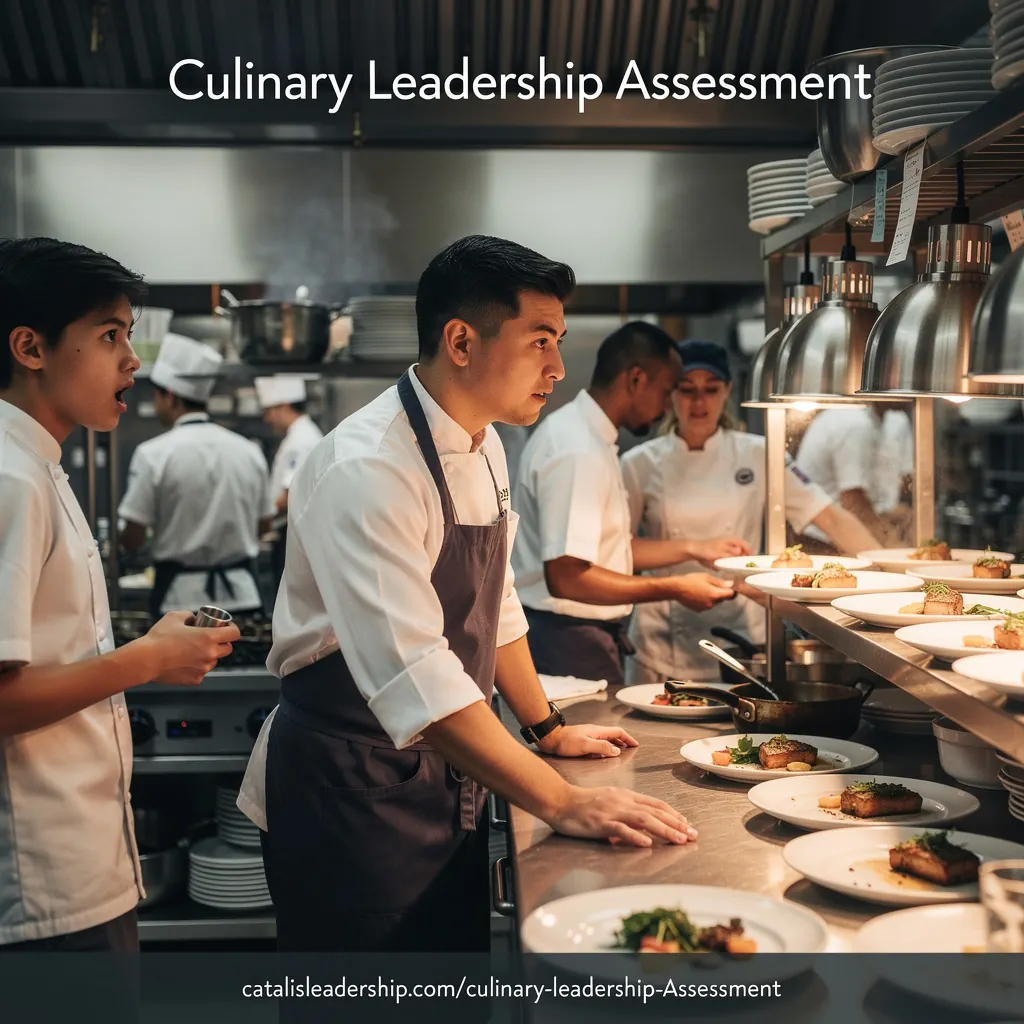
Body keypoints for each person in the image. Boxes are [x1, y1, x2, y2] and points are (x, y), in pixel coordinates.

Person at [236, 236, 696, 957]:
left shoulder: (484, 443)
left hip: (447, 773)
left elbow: (495, 601)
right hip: (351, 791)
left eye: (560, 341)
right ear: (460, 340)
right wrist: (559, 797)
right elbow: (414, 671)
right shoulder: (368, 466)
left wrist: (546, 729)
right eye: (540, 341)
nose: (559, 367)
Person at [0, 237, 239, 951]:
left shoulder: (39, 467)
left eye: (129, 335)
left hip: (80, 862)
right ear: (30, 348)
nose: (133, 360)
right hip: (42, 875)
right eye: (110, 335)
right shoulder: (11, 479)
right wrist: (147, 658)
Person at [621, 340, 881, 684]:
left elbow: (830, 517)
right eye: (686, 390)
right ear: (671, 393)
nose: (698, 402)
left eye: (711, 389)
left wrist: (885, 571)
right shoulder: (639, 463)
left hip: (742, 631)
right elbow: (622, 552)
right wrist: (694, 549)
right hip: (661, 638)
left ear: (727, 390)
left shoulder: (760, 453)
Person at [511, 322, 744, 687]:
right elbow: (567, 576)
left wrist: (696, 548)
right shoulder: (578, 450)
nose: (669, 406)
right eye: (668, 392)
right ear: (636, 380)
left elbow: (608, 550)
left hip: (577, 635)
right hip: (566, 639)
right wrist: (675, 588)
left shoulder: (590, 438)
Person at [118, 334, 273, 620]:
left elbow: (133, 537)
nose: (156, 403)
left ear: (171, 396)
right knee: (245, 665)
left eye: (157, 395)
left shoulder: (153, 454)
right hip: (242, 597)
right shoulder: (248, 451)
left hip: (178, 603)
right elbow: (263, 526)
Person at [795, 404, 901, 546]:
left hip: (835, 532)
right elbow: (852, 500)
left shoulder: (864, 420)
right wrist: (888, 545)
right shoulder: (854, 423)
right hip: (824, 539)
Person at [254, 375, 324, 586]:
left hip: (293, 535)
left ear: (283, 407)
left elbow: (287, 497)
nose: (267, 419)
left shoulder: (300, 441)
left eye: (269, 411)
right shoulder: (302, 435)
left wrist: (260, 522)